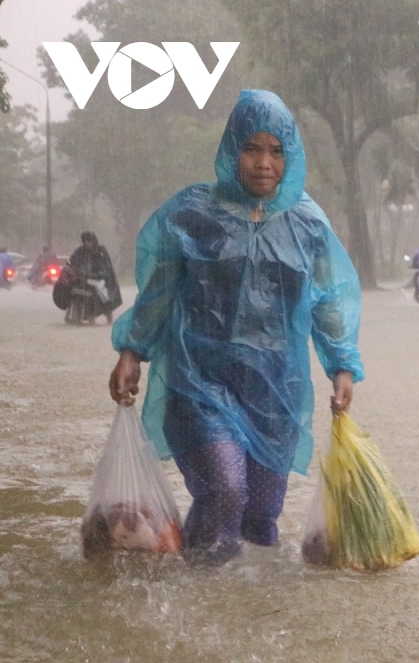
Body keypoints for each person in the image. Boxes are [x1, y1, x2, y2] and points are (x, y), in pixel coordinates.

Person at [108, 90, 364, 566]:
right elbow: (159, 291)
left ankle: (242, 610)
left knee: (262, 517)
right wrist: (132, 351)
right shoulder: (193, 214)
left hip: (275, 390)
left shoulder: (308, 225)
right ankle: (199, 592)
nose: (263, 162)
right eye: (252, 148)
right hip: (199, 381)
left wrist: (342, 366)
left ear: (291, 156)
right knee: (225, 489)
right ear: (231, 150)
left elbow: (330, 302)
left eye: (276, 150)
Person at [68, 232, 122, 322]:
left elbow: (107, 266)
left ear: (94, 241)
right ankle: (92, 319)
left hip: (102, 279)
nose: (87, 243)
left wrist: (100, 274)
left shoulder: (101, 250)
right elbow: (73, 261)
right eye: (85, 241)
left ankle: (108, 317)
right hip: (86, 279)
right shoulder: (80, 251)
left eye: (89, 241)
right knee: (94, 290)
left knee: (103, 292)